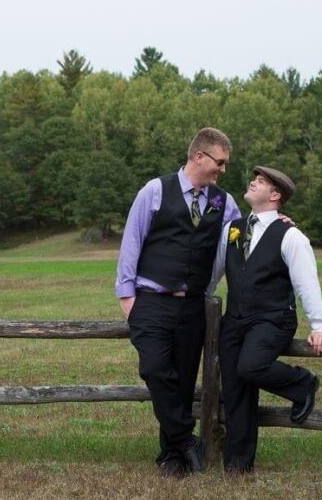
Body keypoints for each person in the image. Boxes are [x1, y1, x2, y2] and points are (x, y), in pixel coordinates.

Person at [116, 127, 241, 478]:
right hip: (152, 300)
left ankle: (173, 457)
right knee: (155, 369)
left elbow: (238, 242)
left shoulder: (224, 202)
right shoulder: (155, 191)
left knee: (183, 381)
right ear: (199, 157)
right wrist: (127, 297)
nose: (223, 170)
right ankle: (187, 439)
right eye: (220, 162)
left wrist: (278, 225)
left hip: (193, 307)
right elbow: (132, 241)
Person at [206, 166, 322, 475]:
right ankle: (238, 464)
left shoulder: (291, 235)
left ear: (274, 196)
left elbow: (306, 282)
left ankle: (303, 383)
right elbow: (215, 271)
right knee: (236, 388)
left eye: (260, 181)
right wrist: (204, 297)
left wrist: (319, 324)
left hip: (273, 319)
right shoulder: (232, 228)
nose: (252, 182)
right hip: (235, 320)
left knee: (251, 366)